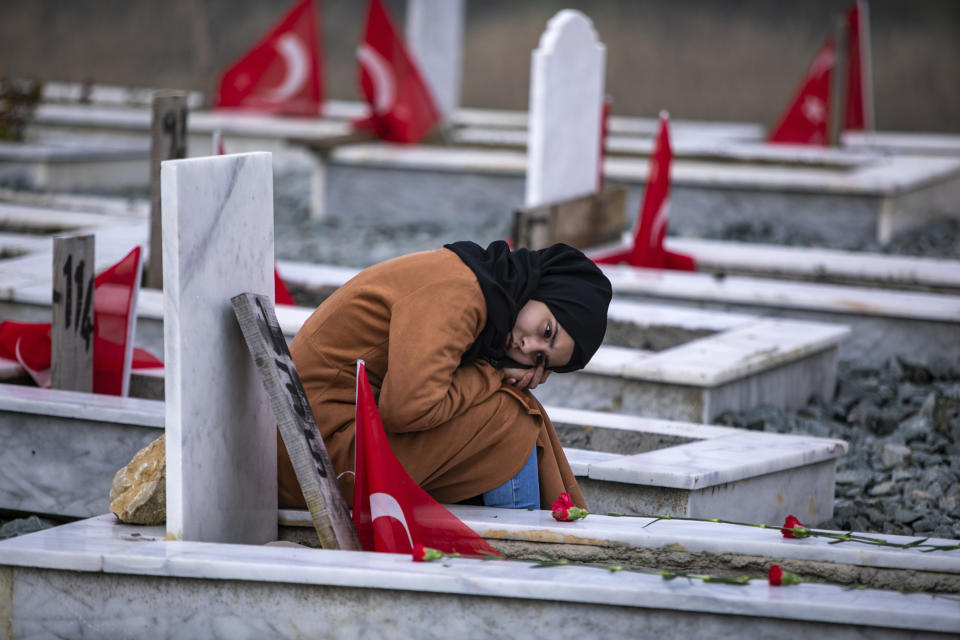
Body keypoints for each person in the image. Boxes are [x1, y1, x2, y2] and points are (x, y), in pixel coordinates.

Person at [279, 240, 612, 511]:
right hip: (314, 460)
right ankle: (514, 555)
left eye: (540, 358)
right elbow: (409, 410)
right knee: (510, 420)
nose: (527, 347)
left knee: (509, 408)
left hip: (313, 447)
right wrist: (491, 373)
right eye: (546, 329)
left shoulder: (481, 285)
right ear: (542, 290)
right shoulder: (461, 293)